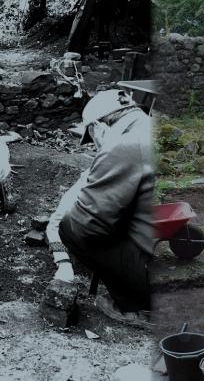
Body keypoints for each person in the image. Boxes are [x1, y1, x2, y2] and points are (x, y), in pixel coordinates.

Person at [53, 89, 154, 326]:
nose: (94, 145)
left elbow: (87, 222)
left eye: (91, 137)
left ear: (98, 126)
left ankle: (137, 305)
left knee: (70, 226)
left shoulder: (122, 145)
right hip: (175, 252)